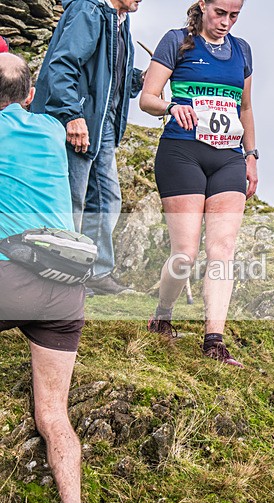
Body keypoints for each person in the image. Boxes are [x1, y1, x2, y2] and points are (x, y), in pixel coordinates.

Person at [0, 53, 97, 503]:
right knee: (53, 413)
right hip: (62, 286)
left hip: (6, 278)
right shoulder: (51, 132)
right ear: (30, 96)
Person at [140, 0, 258, 367]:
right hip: (182, 153)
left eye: (234, 16)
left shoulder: (242, 50)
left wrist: (251, 155)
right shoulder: (177, 41)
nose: (225, 22)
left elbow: (245, 108)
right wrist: (170, 107)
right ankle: (162, 314)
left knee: (222, 250)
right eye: (219, 13)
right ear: (203, 5)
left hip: (228, 157)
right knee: (185, 254)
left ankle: (214, 341)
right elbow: (147, 98)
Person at [31, 0, 144, 296]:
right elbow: (63, 64)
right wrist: (71, 115)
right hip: (80, 119)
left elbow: (109, 76)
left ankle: (95, 272)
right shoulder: (89, 10)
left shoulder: (118, 20)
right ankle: (62, 273)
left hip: (101, 121)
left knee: (106, 197)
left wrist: (143, 79)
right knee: (73, 198)